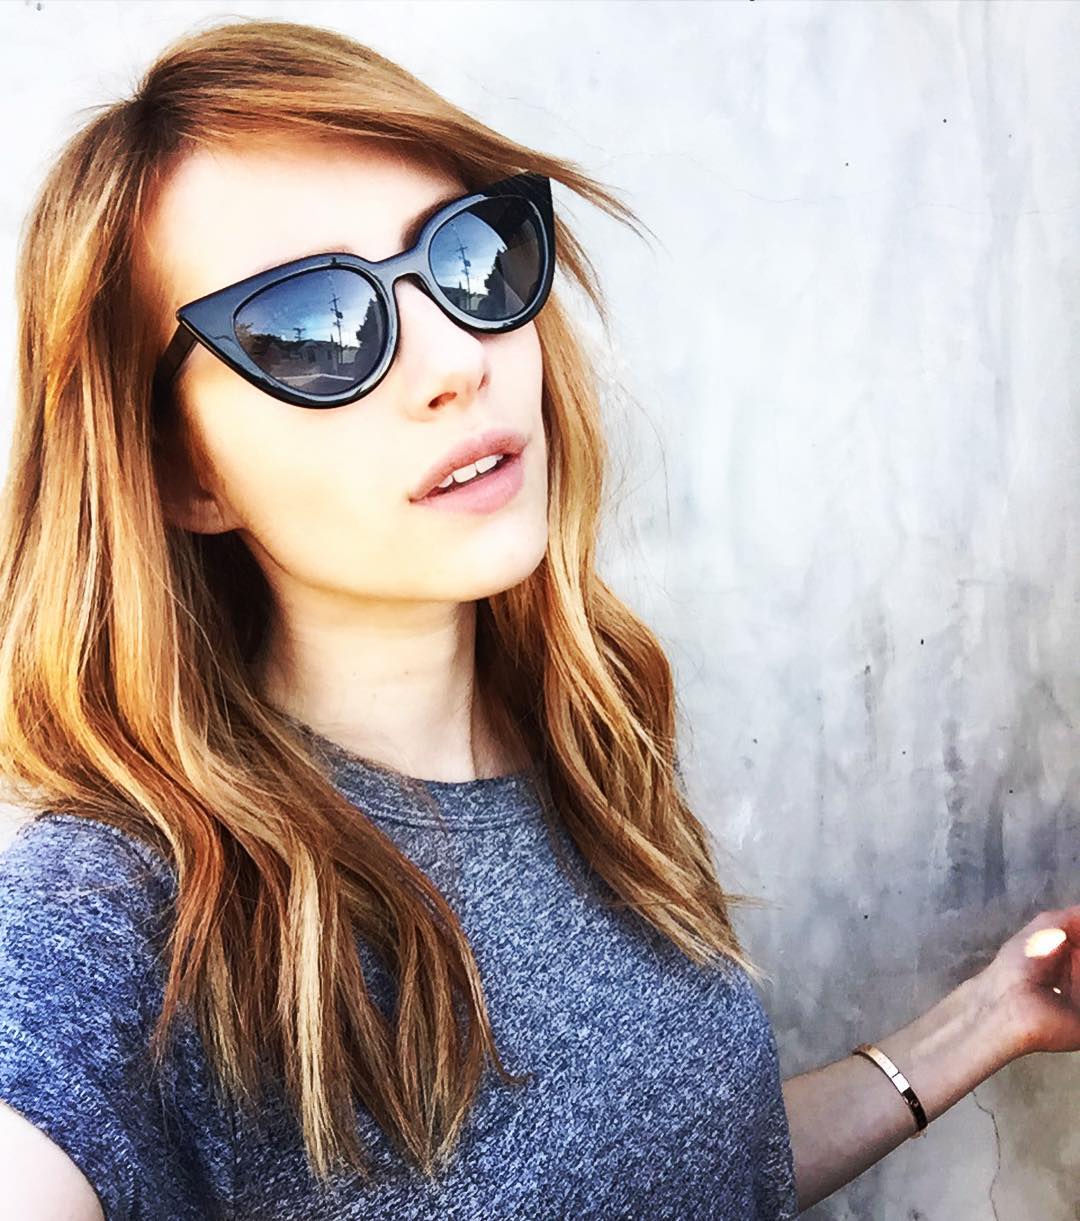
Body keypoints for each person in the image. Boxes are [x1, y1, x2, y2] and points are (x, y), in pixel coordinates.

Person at [0, 16, 1076, 1221]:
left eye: (469, 259)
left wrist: (985, 1020)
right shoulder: (127, 908)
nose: (456, 360)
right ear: (179, 471)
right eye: (310, 326)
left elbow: (677, 1167)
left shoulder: (586, 744)